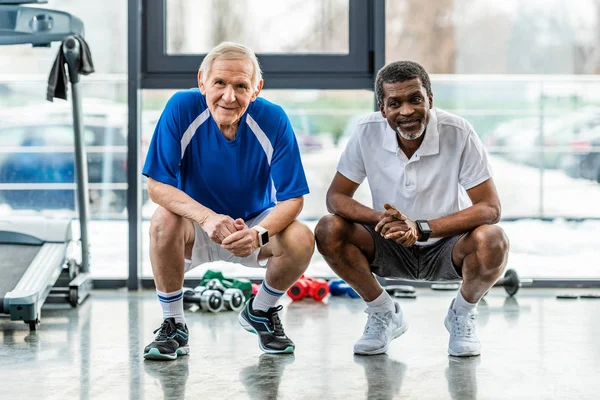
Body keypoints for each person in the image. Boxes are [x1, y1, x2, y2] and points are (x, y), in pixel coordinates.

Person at [315, 61, 509, 357]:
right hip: (388, 243)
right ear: (383, 108)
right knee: (329, 229)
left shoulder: (458, 131)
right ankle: (383, 313)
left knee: (493, 239)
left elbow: (490, 207)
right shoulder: (367, 131)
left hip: (448, 246)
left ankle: (462, 312)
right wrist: (380, 218)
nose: (406, 111)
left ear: (429, 100)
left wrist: (420, 228)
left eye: (415, 99)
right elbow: (336, 198)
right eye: (395, 103)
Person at [142, 42, 314, 360]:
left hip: (252, 225)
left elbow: (293, 199)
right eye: (220, 83)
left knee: (302, 237)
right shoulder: (180, 108)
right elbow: (156, 186)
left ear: (257, 89)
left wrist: (258, 233)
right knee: (162, 220)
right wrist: (208, 218)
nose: (229, 96)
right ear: (202, 82)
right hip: (196, 225)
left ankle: (261, 310)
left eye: (241, 86)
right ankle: (173, 324)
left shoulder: (274, 119)